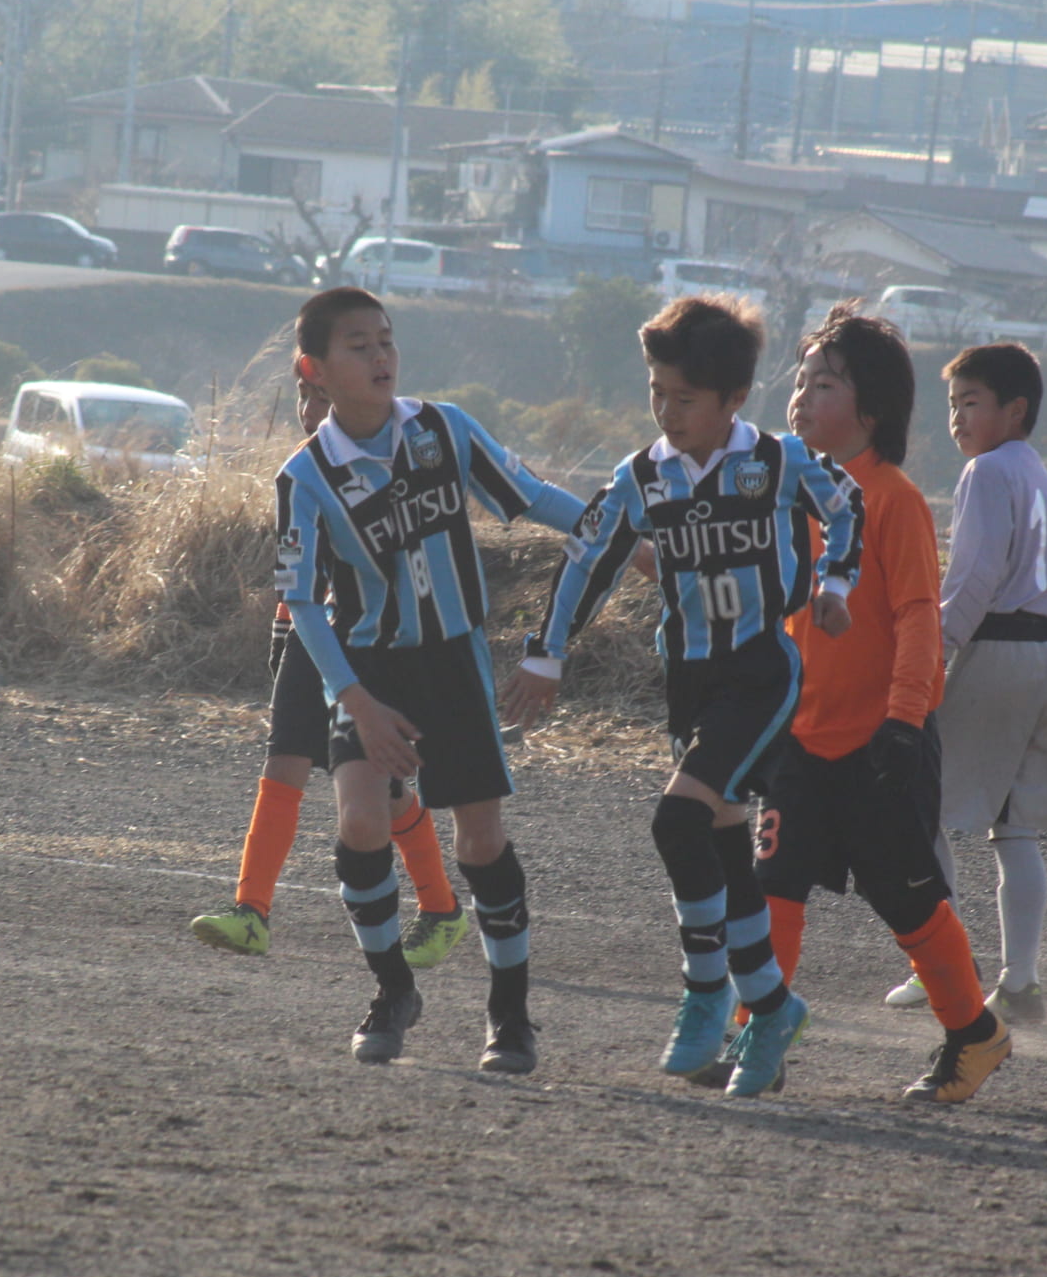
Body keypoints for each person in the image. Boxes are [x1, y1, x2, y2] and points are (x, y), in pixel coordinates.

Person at [503, 295, 862, 1098]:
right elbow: (588, 556)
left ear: (734, 400)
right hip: (691, 681)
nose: (666, 411)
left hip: (761, 673)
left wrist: (837, 582)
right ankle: (770, 1008)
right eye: (656, 392)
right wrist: (546, 655)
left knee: (677, 819)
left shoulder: (775, 461)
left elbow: (848, 507)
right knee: (725, 854)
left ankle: (706, 993)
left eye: (685, 399)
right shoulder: (642, 476)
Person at [275, 286, 588, 1073]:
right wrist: (355, 700)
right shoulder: (304, 477)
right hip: (367, 669)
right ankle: (392, 992)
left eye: (387, 341)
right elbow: (304, 606)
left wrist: (616, 534)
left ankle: (510, 1017)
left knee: (479, 841)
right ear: (315, 369)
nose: (380, 357)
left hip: (452, 660)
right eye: (358, 346)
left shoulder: (444, 429)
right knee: (361, 824)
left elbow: (533, 498)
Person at [731, 306, 1010, 1103]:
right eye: (800, 381)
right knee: (770, 889)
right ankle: (761, 1038)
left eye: (825, 383)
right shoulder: (790, 498)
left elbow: (921, 617)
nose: (802, 395)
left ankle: (975, 1034)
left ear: (871, 410)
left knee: (908, 901)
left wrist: (904, 716)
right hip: (801, 739)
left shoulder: (892, 500)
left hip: (882, 741)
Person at [190, 377, 468, 971]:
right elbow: (301, 574)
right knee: (284, 761)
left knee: (387, 793)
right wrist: (283, 628)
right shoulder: (305, 471)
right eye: (305, 396)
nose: (312, 411)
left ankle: (442, 908)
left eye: (322, 397)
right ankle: (251, 911)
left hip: (372, 649)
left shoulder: (390, 458)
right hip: (310, 638)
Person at [885, 341, 1047, 1026]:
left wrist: (930, 653)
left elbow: (973, 577)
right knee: (1016, 830)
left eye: (971, 403)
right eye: (952, 405)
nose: (958, 419)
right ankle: (1020, 983)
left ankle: (944, 966)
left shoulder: (988, 473)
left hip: (998, 653)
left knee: (919, 805)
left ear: (1014, 409)